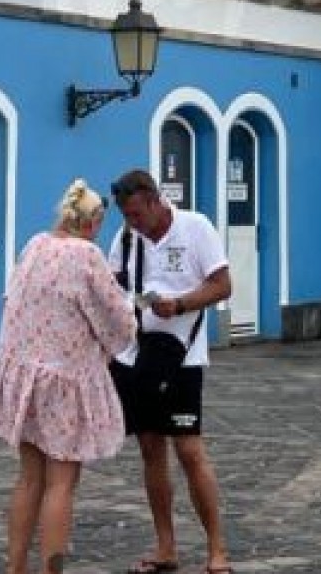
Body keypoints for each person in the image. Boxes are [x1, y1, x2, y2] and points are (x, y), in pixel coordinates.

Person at [0, 179, 136, 574]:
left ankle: (15, 568)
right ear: (93, 222)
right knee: (61, 482)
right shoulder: (87, 256)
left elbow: (15, 299)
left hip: (24, 376)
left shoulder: (35, 246)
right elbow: (116, 319)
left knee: (29, 479)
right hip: (63, 382)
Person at [108, 168, 234, 574]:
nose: (132, 223)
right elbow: (112, 289)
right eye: (126, 216)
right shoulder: (126, 239)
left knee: (189, 450)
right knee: (149, 449)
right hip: (137, 357)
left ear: (155, 201)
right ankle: (166, 548)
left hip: (183, 358)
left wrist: (179, 305)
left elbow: (223, 285)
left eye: (136, 214)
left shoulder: (196, 228)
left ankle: (217, 551)